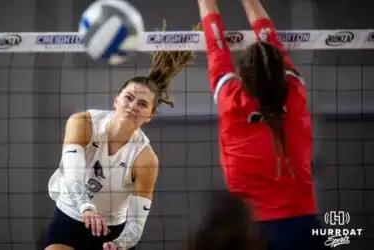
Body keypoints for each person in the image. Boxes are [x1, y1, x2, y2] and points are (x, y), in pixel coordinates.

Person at [44, 35, 197, 250]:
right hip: (70, 214)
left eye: (142, 104)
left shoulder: (145, 159)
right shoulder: (83, 123)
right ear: (116, 100)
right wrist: (86, 207)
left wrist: (120, 243)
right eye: (129, 97)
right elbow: (73, 173)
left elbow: (136, 222)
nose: (133, 106)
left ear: (150, 116)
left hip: (112, 228)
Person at [196, 0, 328, 249]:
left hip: (250, 230)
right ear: (280, 71)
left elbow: (216, 47)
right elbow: (268, 36)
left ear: (243, 78)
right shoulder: (295, 91)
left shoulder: (231, 99)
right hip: (303, 225)